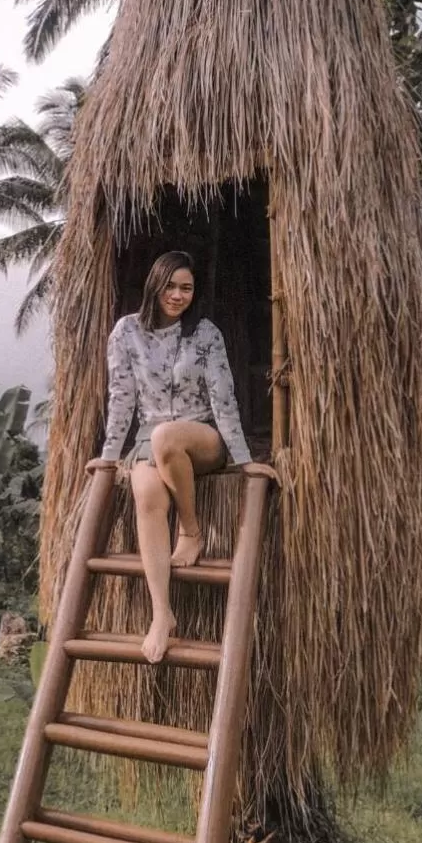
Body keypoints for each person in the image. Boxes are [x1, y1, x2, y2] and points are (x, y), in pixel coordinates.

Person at [87, 250, 277, 663]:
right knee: (146, 494)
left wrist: (243, 460)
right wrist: (108, 455)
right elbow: (121, 398)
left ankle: (191, 530)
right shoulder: (126, 332)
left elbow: (223, 397)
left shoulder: (205, 333)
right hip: (147, 441)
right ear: (155, 285)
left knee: (168, 438)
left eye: (186, 288)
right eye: (170, 286)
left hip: (200, 437)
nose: (177, 295)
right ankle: (162, 613)